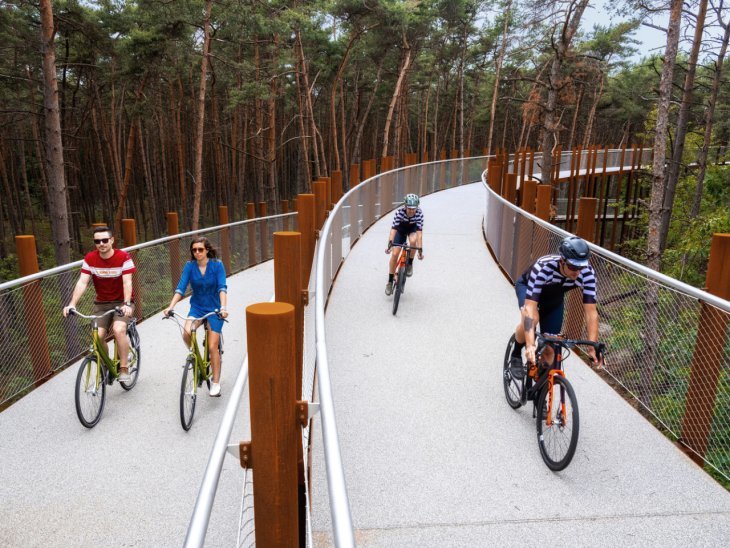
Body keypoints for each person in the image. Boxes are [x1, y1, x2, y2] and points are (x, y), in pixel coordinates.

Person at [509, 236, 599, 377]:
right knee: (531, 320)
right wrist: (530, 344)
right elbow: (530, 309)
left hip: (553, 298)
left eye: (581, 267)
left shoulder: (587, 273)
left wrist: (592, 345)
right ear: (562, 260)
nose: (577, 272)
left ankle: (541, 387)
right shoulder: (544, 267)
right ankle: (515, 354)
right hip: (528, 290)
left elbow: (591, 313)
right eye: (573, 266)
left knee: (551, 347)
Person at [63, 226, 136, 382]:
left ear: (112, 240)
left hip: (121, 302)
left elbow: (127, 282)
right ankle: (105, 364)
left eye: (105, 240)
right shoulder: (90, 258)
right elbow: (82, 282)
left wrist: (127, 303)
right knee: (97, 337)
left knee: (118, 329)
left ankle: (124, 368)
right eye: (97, 241)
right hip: (102, 303)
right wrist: (72, 304)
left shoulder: (124, 257)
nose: (101, 243)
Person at [163, 236, 228, 397]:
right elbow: (181, 288)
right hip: (197, 308)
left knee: (213, 346)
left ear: (207, 250)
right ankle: (196, 357)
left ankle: (216, 383)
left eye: (200, 249)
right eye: (194, 250)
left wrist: (224, 307)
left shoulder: (217, 265)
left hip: (215, 309)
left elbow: (222, 288)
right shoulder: (190, 266)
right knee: (186, 332)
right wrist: (171, 307)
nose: (197, 252)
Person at [385, 193, 424, 295]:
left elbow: (419, 234)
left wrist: (420, 250)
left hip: (412, 229)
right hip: (400, 230)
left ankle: (410, 263)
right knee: (394, 254)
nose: (411, 211)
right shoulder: (399, 213)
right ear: (405, 206)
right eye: (409, 208)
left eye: (414, 208)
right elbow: (393, 230)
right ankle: (389, 281)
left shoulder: (419, 214)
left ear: (417, 207)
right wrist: (389, 244)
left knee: (413, 241)